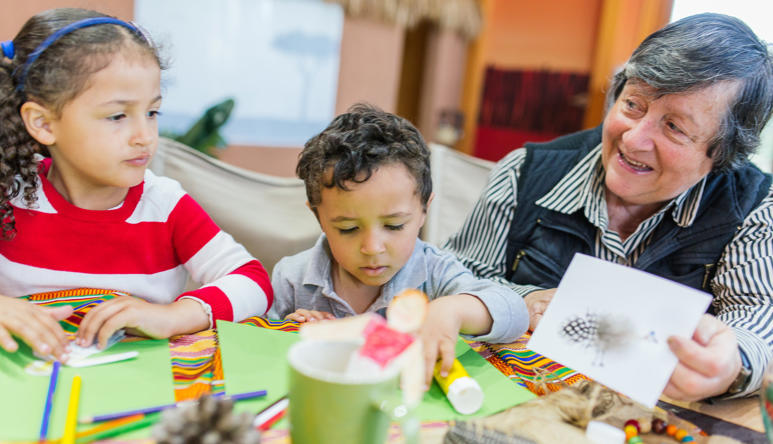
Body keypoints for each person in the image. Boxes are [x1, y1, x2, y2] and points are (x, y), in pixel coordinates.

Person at [445, 12, 773, 401]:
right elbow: (452, 279)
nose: (633, 140)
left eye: (674, 127)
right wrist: (521, 301)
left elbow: (754, 320)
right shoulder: (525, 172)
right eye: (633, 104)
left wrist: (730, 364)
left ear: (721, 155)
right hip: (507, 401)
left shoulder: (753, 207)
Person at [0, 8, 273, 361]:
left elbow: (253, 281)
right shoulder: (10, 192)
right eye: (117, 116)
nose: (144, 136)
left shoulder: (164, 205)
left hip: (138, 390)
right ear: (43, 123)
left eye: (152, 112)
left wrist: (176, 315)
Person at [269, 103, 528, 381]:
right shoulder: (292, 277)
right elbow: (262, 347)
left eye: (394, 225)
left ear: (423, 211)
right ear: (318, 216)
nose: (372, 247)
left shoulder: (435, 272)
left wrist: (451, 310)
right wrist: (291, 330)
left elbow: (515, 311)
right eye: (348, 228)